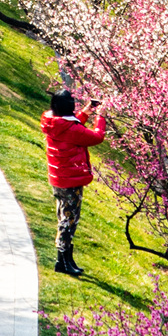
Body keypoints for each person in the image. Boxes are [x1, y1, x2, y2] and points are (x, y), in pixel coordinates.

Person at [40, 90, 106, 277]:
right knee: (69, 220)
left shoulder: (52, 122)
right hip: (70, 181)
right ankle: (62, 261)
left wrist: (87, 110)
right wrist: (100, 116)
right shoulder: (71, 130)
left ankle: (65, 260)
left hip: (58, 178)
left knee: (64, 217)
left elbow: (72, 125)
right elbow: (96, 137)